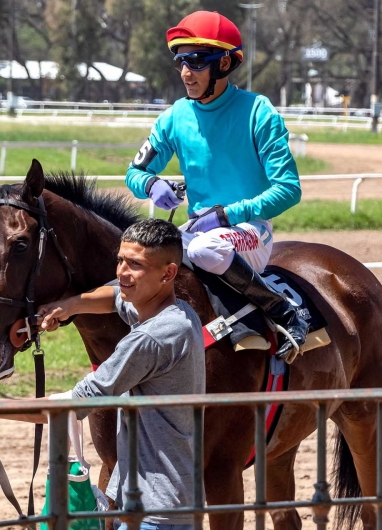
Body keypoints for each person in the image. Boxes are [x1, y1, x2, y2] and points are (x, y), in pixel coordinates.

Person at [0, 219, 205, 530]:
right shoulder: (177, 311)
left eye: (135, 264)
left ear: (168, 273)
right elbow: (114, 297)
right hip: (165, 501)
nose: (122, 272)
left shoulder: (150, 339)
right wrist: (66, 307)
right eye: (120, 259)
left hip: (156, 512)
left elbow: (74, 404)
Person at [125, 10, 308, 359]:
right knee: (135, 258)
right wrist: (150, 185)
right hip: (196, 231)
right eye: (180, 61)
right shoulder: (175, 116)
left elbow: (288, 189)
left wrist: (228, 214)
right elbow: (133, 173)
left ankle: (283, 310)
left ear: (224, 63)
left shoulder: (259, 112)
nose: (184, 72)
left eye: (195, 62)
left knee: (202, 250)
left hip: (250, 232)